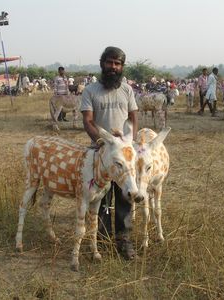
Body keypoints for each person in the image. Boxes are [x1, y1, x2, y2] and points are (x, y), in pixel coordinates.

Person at [80, 46, 139, 260]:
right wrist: (102, 142)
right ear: (102, 63)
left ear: (122, 66)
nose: (113, 67)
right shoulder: (90, 91)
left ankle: (124, 241)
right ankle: (102, 240)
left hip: (123, 156)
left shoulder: (127, 90)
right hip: (102, 154)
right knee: (101, 198)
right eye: (110, 62)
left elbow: (133, 118)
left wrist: (128, 142)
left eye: (117, 63)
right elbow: (87, 121)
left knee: (125, 197)